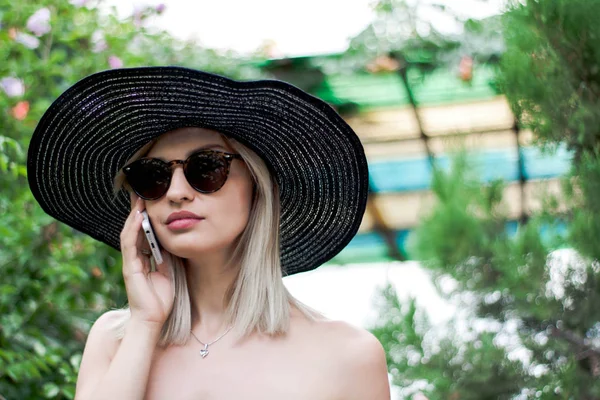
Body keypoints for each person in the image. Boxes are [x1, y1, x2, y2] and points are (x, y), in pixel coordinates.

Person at [27, 66, 391, 399]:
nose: (176, 191)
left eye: (206, 168)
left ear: (258, 187)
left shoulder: (347, 355)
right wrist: (146, 322)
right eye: (153, 176)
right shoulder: (116, 338)